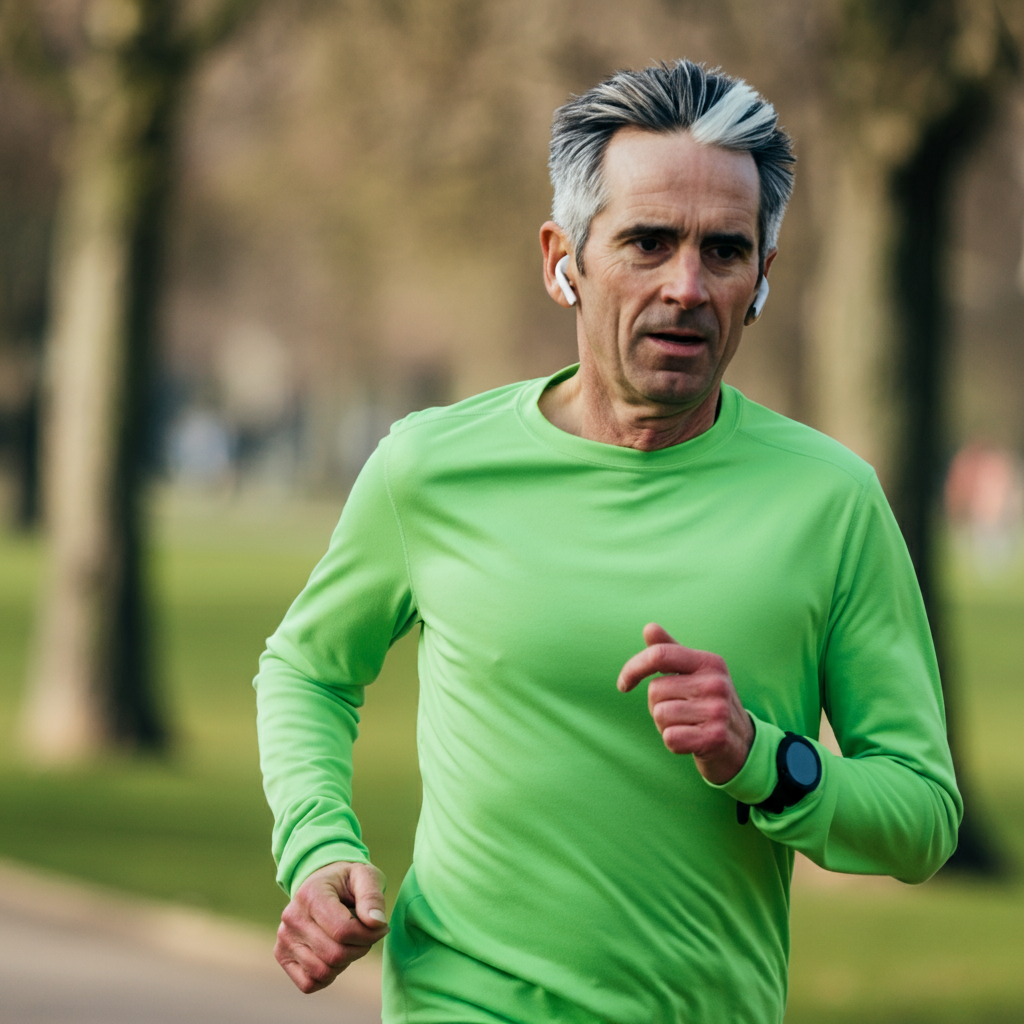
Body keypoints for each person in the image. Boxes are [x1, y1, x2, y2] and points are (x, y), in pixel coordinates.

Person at [255, 60, 961, 1024]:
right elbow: (307, 669)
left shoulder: (831, 501)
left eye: (725, 251)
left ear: (761, 280)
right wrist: (319, 847)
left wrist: (762, 756)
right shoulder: (430, 467)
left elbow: (922, 816)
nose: (687, 286)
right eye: (648, 242)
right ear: (564, 259)